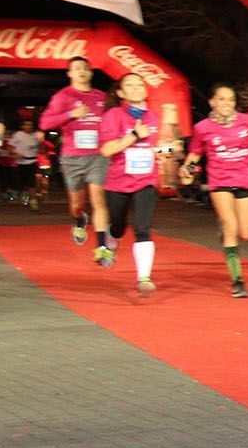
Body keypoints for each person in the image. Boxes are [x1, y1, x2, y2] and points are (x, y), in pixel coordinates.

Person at [180, 84, 248, 298]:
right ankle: (238, 280)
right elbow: (195, 154)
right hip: (219, 181)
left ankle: (225, 229)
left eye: (231, 100)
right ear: (212, 102)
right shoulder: (202, 128)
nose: (227, 104)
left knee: (246, 233)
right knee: (231, 226)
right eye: (222, 99)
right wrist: (186, 169)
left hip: (244, 179)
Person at [97, 73, 163, 295]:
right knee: (118, 226)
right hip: (118, 182)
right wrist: (134, 135)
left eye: (139, 84)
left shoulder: (153, 116)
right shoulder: (113, 116)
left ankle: (143, 277)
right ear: (121, 93)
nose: (136, 88)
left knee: (142, 228)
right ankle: (111, 242)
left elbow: (157, 146)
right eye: (130, 85)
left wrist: (163, 152)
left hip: (146, 181)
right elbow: (106, 150)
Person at [39, 56, 110, 256]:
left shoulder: (102, 97)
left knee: (98, 200)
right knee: (77, 204)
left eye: (86, 68)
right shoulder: (63, 96)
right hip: (72, 157)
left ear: (91, 72)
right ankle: (79, 219)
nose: (82, 71)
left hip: (98, 156)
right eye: (77, 68)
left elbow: (112, 122)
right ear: (69, 73)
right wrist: (71, 114)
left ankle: (102, 246)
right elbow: (44, 124)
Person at [6, 116, 41, 208]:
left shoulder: (35, 135)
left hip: (33, 161)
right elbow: (10, 146)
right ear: (22, 126)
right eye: (26, 125)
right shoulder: (18, 135)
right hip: (21, 162)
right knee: (23, 182)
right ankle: (25, 194)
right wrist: (16, 153)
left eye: (30, 125)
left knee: (33, 181)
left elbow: (41, 148)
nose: (28, 126)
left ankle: (33, 200)